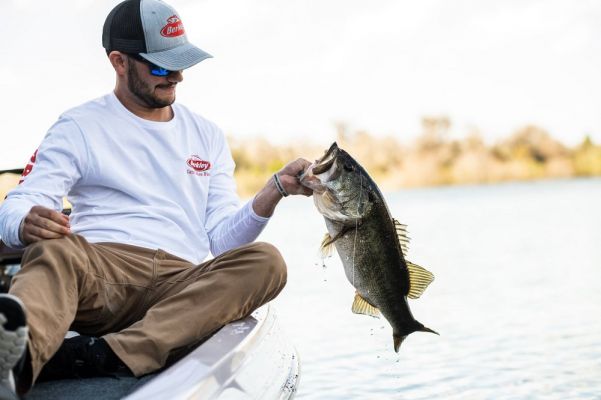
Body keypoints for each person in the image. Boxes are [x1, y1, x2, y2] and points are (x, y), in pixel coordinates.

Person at [0, 0, 312, 397]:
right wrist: (25, 220)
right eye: (162, 66)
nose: (177, 76)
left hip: (181, 281)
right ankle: (17, 360)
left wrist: (275, 190)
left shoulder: (208, 136)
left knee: (267, 261)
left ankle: (107, 356)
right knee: (54, 250)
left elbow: (220, 240)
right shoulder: (78, 125)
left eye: (182, 63)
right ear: (119, 62)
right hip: (100, 272)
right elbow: (17, 204)